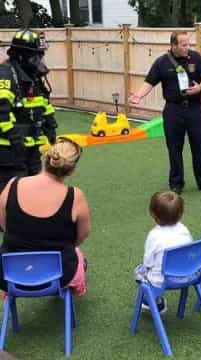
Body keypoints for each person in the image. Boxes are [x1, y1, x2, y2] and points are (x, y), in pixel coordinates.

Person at [0, 137, 89, 296]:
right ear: (72, 169)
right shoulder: (75, 196)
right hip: (59, 275)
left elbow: (4, 225)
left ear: (45, 158)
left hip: (10, 275)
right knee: (78, 254)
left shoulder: (13, 184)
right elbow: (82, 236)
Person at [129, 31, 201, 195]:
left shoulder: (196, 57)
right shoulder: (161, 62)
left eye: (188, 44)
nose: (187, 47)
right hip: (173, 110)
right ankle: (176, 183)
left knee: (199, 147)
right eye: (183, 44)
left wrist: (200, 87)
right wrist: (138, 95)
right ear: (173, 45)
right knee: (174, 148)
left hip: (195, 109)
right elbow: (149, 82)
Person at [0, 29, 57, 193]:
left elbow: (43, 103)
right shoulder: (5, 74)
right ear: (20, 55)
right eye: (34, 55)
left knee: (34, 192)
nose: (38, 60)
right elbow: (1, 109)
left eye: (40, 55)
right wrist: (13, 136)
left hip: (32, 150)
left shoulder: (33, 76)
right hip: (9, 151)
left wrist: (50, 127)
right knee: (11, 196)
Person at [134, 190, 192, 313]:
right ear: (181, 214)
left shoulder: (154, 235)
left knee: (139, 271)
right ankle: (154, 300)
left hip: (162, 279)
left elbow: (148, 262)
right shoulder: (184, 229)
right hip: (186, 274)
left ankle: (154, 301)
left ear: (153, 215)